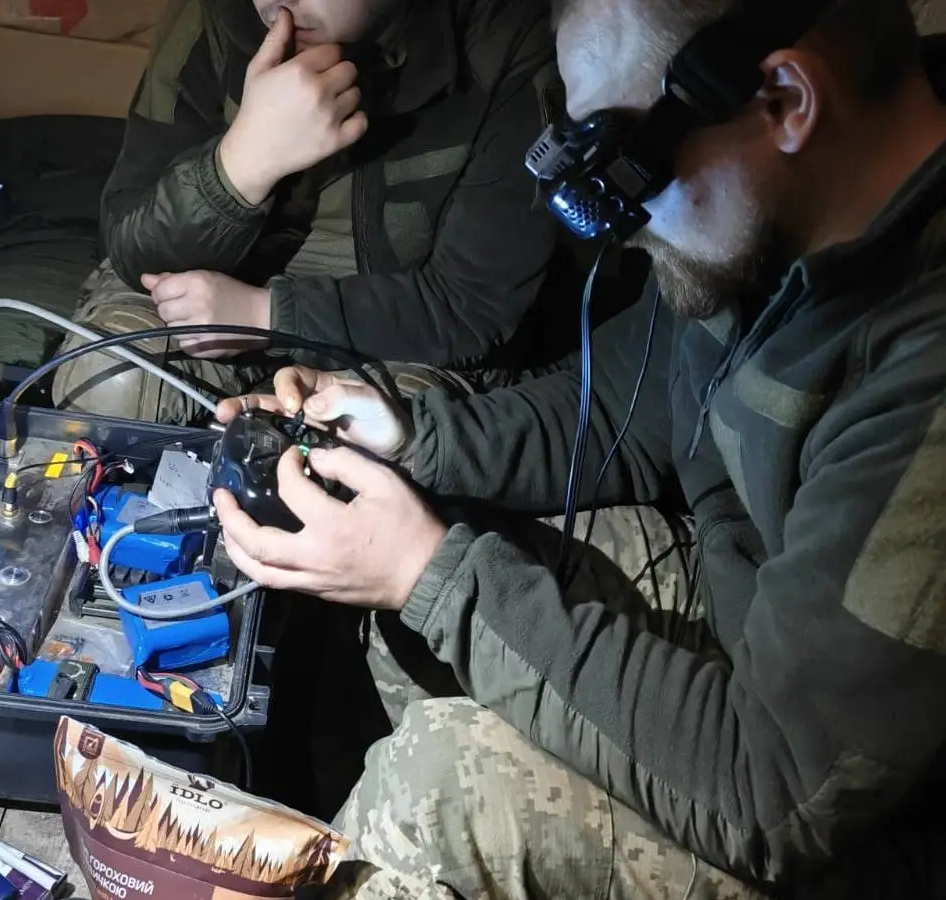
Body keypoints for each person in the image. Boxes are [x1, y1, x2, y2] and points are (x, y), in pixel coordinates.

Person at [207, 0, 946, 895]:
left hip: (856, 823)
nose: (620, 222)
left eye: (617, 160)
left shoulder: (923, 368)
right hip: (758, 623)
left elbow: (781, 794)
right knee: (424, 552)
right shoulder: (787, 213)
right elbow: (623, 412)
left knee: (445, 786)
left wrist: (427, 571)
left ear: (786, 99)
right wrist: (412, 439)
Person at [50, 0, 562, 425]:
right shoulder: (209, 15)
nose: (277, 2)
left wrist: (264, 315)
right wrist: (239, 167)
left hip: (392, 338)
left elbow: (474, 307)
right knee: (111, 385)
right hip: (207, 300)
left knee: (368, 457)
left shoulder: (506, 39)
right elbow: (131, 242)